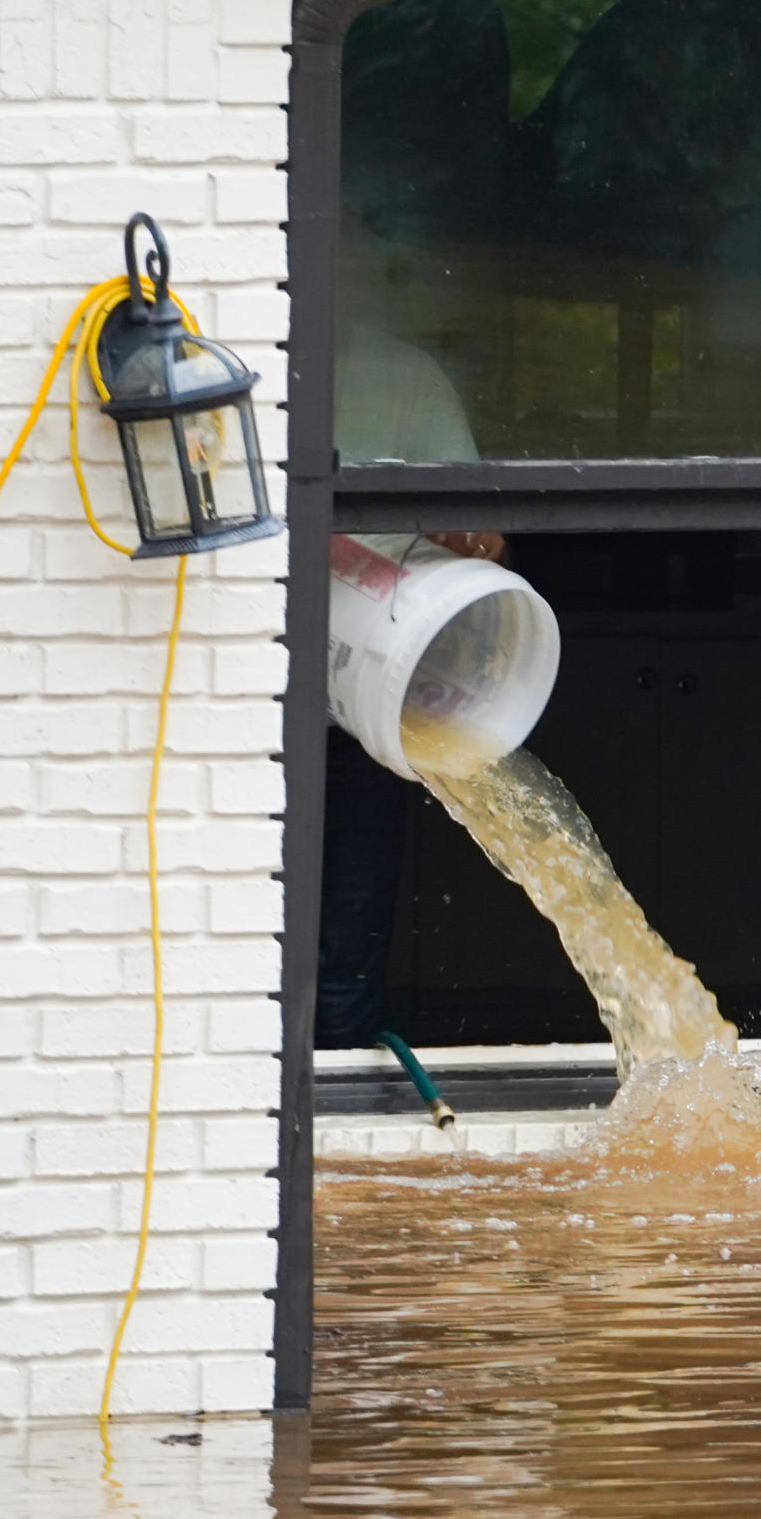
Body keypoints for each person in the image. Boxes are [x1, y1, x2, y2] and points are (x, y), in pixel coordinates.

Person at [316, 231, 503, 1055]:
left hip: (374, 682)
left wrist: (461, 537)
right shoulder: (245, 359)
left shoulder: (404, 377)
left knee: (351, 915)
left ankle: (336, 1101)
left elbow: (484, 533)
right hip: (253, 688)